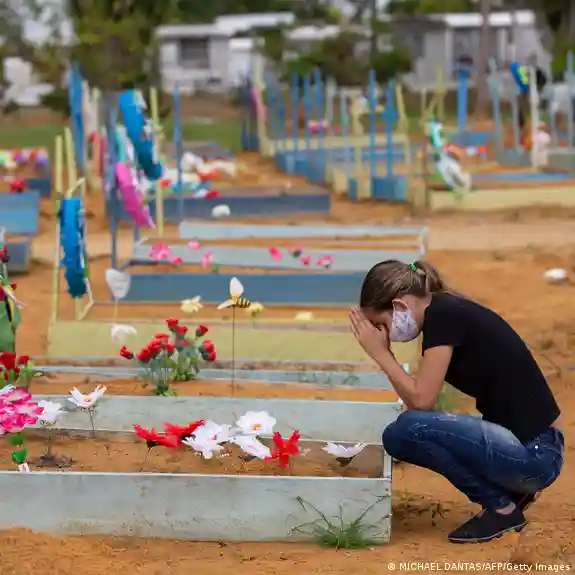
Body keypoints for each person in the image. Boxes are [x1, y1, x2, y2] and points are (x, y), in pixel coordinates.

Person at [349, 259, 564, 544]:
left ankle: (502, 508)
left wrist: (381, 354)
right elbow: (419, 404)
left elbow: (422, 401)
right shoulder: (443, 311)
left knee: (403, 431)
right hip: (533, 450)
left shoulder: (443, 316)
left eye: (381, 324)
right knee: (406, 431)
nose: (384, 334)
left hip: (536, 457)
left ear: (400, 305)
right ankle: (512, 494)